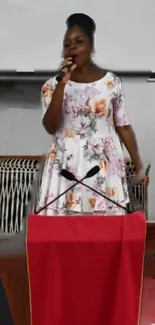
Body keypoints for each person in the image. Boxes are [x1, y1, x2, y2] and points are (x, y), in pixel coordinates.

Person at [37, 13, 147, 216]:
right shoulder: (51, 86)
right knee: (66, 231)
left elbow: (122, 125)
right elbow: (51, 127)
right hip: (65, 165)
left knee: (104, 230)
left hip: (103, 165)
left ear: (91, 47)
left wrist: (139, 166)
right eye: (67, 43)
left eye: (79, 41)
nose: (72, 47)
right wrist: (62, 84)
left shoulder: (111, 82)